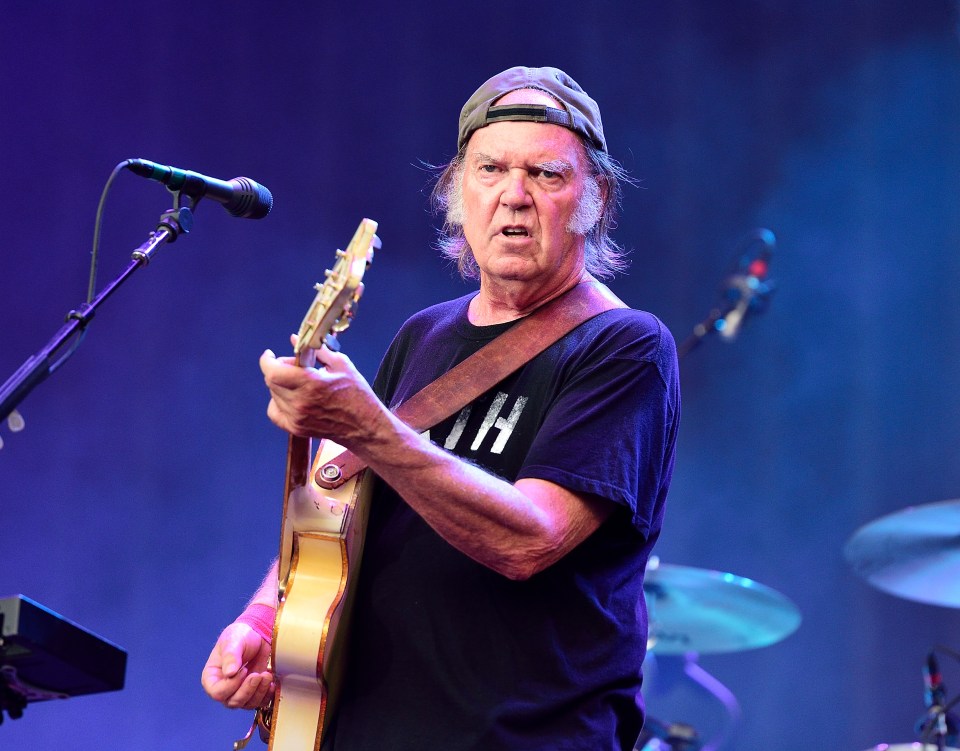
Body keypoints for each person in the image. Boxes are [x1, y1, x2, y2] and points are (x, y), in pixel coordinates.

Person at [202, 65, 680, 751]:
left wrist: (371, 427)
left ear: (594, 198)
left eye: (546, 175)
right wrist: (262, 621)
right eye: (490, 169)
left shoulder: (624, 345)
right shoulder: (423, 335)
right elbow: (332, 509)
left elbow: (529, 541)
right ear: (456, 191)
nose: (514, 197)